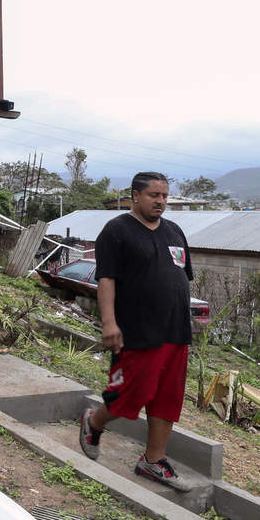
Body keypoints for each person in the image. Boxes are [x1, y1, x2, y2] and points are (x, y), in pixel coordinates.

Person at [78, 172, 195, 492]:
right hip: (137, 330)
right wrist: (109, 322)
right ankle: (93, 423)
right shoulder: (117, 231)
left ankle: (153, 461)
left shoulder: (174, 231)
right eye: (153, 195)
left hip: (175, 330)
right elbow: (106, 280)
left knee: (167, 399)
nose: (160, 201)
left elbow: (180, 278)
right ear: (135, 196)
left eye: (165, 196)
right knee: (133, 393)